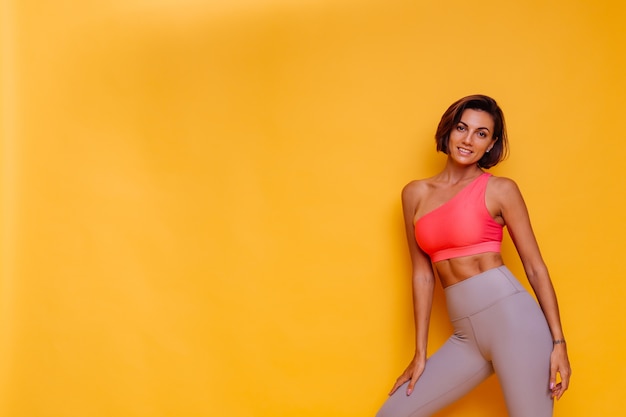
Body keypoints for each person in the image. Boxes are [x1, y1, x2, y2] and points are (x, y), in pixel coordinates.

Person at [376, 95, 571, 417]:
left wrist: (559, 343)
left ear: (491, 143)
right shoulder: (414, 194)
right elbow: (422, 275)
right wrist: (420, 354)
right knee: (393, 414)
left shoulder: (500, 190)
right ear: (448, 131)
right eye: (462, 128)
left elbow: (535, 268)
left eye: (481, 133)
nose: (468, 140)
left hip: (516, 324)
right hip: (466, 335)